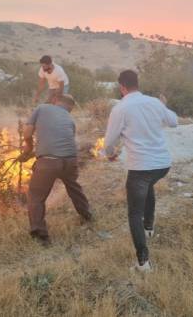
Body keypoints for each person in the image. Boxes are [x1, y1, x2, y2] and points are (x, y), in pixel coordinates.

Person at [103, 70, 178, 272]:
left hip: (141, 167)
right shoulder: (154, 102)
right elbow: (174, 121)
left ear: (122, 87)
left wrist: (109, 154)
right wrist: (163, 105)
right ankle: (149, 229)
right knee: (148, 186)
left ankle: (143, 263)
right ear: (138, 83)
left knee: (134, 213)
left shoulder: (121, 108)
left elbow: (109, 141)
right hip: (162, 165)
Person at [21, 94, 92, 245]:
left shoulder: (42, 108)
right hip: (70, 161)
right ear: (70, 108)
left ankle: (40, 235)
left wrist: (28, 148)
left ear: (55, 101)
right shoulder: (70, 119)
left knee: (36, 197)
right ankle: (87, 215)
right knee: (74, 187)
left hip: (49, 162)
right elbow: (59, 142)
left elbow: (27, 133)